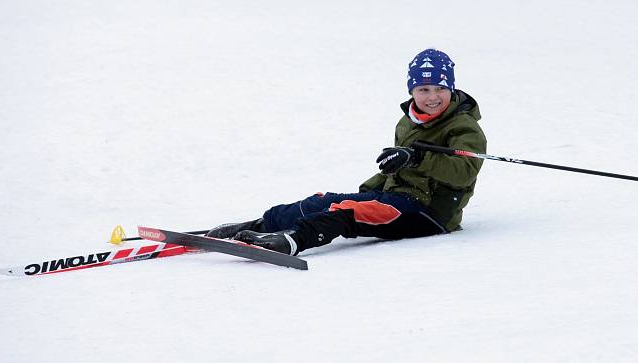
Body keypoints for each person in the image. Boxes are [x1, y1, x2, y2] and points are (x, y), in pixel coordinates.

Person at [206, 48, 487, 255]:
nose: (433, 97)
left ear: (451, 87)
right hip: (398, 198)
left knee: (348, 212)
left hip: (428, 214)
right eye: (423, 89)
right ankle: (262, 224)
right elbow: (400, 171)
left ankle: (293, 241)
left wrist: (415, 158)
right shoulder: (408, 122)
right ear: (412, 91)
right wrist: (372, 188)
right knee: (322, 201)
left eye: (440, 87)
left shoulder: (463, 127)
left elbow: (463, 173)